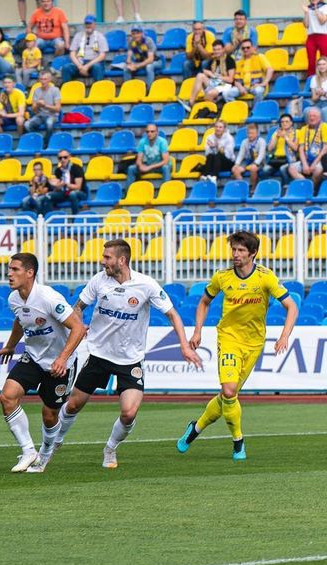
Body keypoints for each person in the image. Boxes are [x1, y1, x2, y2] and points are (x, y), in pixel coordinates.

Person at [47, 239, 201, 471]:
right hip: (98, 355)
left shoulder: (146, 285)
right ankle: (57, 440)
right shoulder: (98, 281)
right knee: (73, 406)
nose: (102, 261)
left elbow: (173, 315)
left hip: (130, 359)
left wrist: (184, 345)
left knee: (129, 413)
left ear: (122, 260)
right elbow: (78, 306)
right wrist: (77, 323)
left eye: (107, 257)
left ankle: (110, 448)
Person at [177, 231, 298, 462]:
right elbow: (204, 302)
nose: (235, 254)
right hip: (229, 338)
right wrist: (198, 331)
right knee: (230, 390)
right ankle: (238, 442)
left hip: (254, 343)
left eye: (241, 250)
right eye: (233, 249)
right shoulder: (222, 277)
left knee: (227, 395)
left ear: (253, 253)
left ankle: (196, 428)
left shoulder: (265, 277)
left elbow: (292, 307)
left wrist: (284, 335)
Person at [0, 253, 86, 473]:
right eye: (9, 269)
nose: (9, 273)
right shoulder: (13, 298)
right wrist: (11, 345)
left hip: (61, 363)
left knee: (49, 414)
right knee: (7, 396)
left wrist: (62, 358)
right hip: (33, 357)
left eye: (15, 269)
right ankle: (28, 450)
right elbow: (19, 319)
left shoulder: (48, 298)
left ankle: (45, 453)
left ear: (30, 273)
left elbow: (78, 328)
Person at [183, 40, 237, 112]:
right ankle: (191, 103)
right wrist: (210, 74)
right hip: (215, 82)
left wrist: (216, 76)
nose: (216, 52)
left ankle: (211, 111)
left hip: (226, 85)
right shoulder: (213, 60)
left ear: (223, 49)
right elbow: (205, 71)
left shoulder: (229, 60)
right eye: (214, 50)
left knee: (210, 93)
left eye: (219, 49)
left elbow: (230, 79)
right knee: (200, 75)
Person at [63, 15, 108, 84]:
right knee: (66, 68)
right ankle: (67, 90)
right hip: (80, 62)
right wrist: (80, 66)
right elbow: (72, 53)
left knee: (97, 67)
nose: (88, 25)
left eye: (90, 23)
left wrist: (87, 66)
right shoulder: (78, 35)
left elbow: (102, 56)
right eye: (86, 23)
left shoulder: (100, 36)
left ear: (94, 24)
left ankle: (98, 91)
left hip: (94, 62)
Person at [290, 106, 327, 186]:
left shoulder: (324, 127)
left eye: (314, 116)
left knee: (318, 170)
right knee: (291, 168)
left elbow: (325, 148)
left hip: (319, 160)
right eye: (310, 116)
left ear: (319, 117)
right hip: (306, 159)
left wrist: (314, 163)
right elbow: (301, 149)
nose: (312, 118)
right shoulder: (303, 129)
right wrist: (305, 164)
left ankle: (312, 189)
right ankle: (306, 186)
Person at [25, 71, 61, 144]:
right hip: (40, 115)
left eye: (45, 79)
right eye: (41, 79)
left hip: (52, 115)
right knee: (27, 125)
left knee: (49, 123)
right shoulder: (36, 91)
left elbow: (58, 109)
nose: (43, 81)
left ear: (49, 80)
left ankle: (46, 143)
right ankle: (37, 141)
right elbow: (34, 110)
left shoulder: (55, 90)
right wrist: (38, 105)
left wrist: (45, 106)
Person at [235, 40, 273, 107]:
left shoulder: (259, 57)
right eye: (243, 48)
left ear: (252, 48)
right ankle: (238, 110)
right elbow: (236, 79)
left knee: (259, 91)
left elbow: (270, 69)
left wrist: (264, 83)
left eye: (248, 47)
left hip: (256, 85)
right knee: (227, 94)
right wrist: (240, 87)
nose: (245, 49)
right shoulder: (239, 61)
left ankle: (255, 113)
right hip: (244, 87)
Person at [199, 120, 235, 185]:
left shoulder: (229, 138)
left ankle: (214, 176)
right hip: (215, 163)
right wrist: (211, 148)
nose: (218, 129)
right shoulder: (209, 137)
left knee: (218, 155)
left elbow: (228, 155)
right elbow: (207, 154)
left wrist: (217, 146)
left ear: (224, 129)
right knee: (210, 156)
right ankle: (205, 176)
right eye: (216, 127)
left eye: (220, 127)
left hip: (227, 163)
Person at [267, 112, 299, 180]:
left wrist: (285, 137)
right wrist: (275, 137)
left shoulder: (297, 133)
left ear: (291, 123)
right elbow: (270, 148)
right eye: (282, 122)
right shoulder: (276, 133)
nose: (284, 123)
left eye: (287, 121)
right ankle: (268, 188)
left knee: (282, 169)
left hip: (290, 160)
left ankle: (286, 187)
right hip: (277, 160)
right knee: (265, 170)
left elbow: (296, 148)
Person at [304, 0, 327, 77]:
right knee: (311, 61)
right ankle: (311, 81)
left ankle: (325, 80)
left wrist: (316, 9)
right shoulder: (309, 8)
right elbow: (306, 25)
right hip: (311, 37)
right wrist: (306, 13)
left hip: (323, 36)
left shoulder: (325, 7)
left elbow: (322, 21)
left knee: (324, 60)